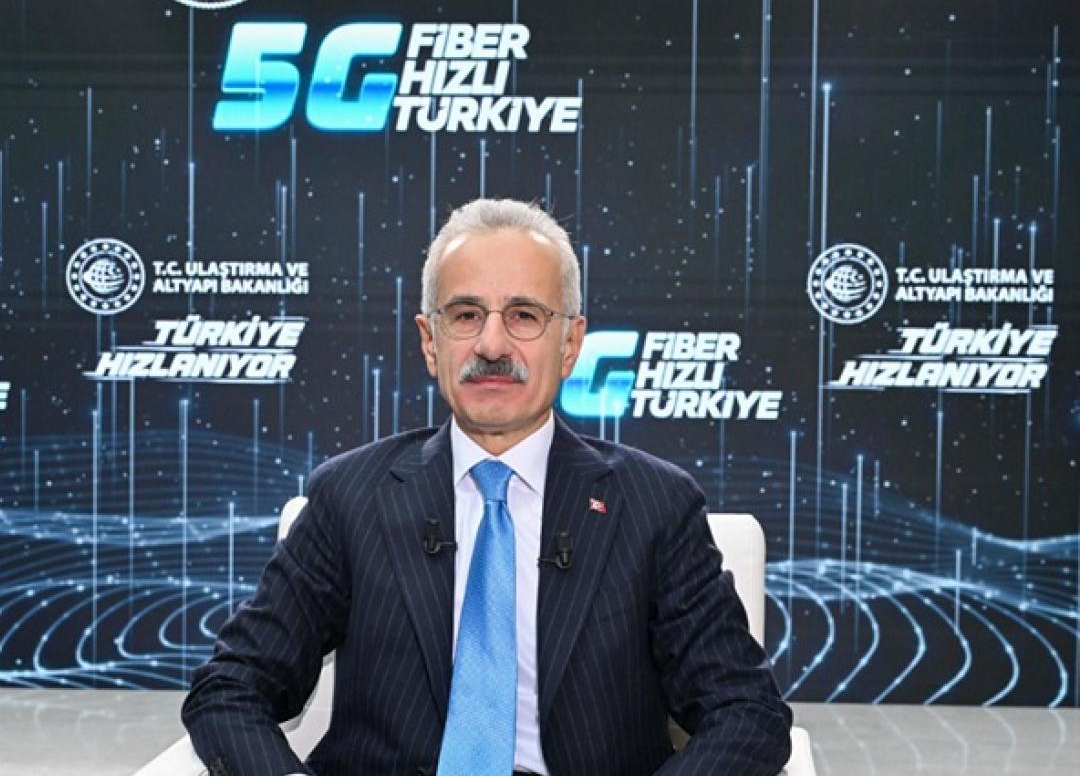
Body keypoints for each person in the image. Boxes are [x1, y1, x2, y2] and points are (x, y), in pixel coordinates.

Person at [182, 198, 792, 776]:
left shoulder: (655, 505)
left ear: (571, 343)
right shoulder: (350, 496)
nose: (492, 345)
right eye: (465, 315)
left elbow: (747, 713)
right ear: (430, 341)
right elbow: (230, 689)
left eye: (524, 315)